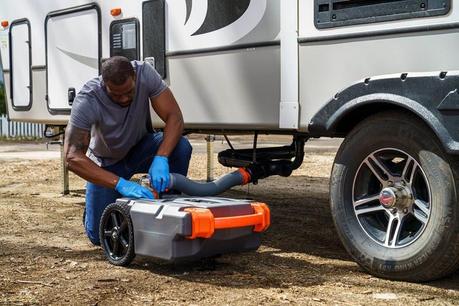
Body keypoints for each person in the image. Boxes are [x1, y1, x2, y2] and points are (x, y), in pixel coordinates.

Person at [64, 56, 192, 246]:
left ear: (134, 78)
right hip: (107, 163)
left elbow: (175, 117)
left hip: (140, 149)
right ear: (104, 83)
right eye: (116, 95)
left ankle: (168, 210)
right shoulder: (88, 99)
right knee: (99, 236)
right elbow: (72, 157)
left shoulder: (144, 73)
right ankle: (98, 205)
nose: (123, 98)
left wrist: (161, 157)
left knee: (181, 147)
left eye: (129, 92)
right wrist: (120, 184)